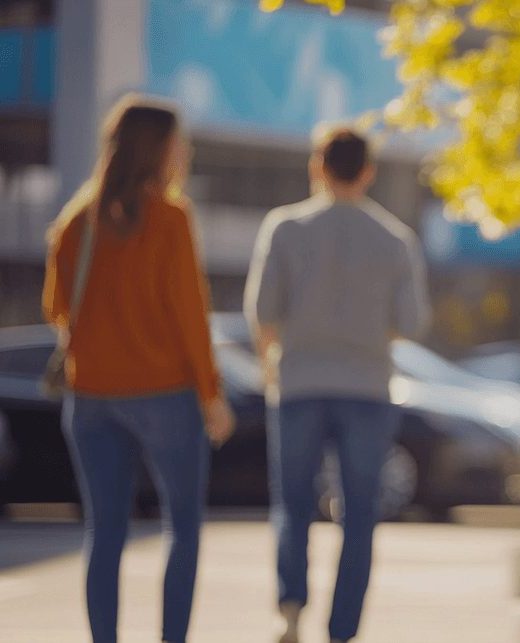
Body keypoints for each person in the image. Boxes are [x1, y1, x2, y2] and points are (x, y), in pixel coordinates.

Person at [42, 95, 235, 643]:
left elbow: (56, 308)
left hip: (92, 398)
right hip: (165, 396)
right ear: (159, 148)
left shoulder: (75, 221)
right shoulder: (171, 217)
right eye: (180, 141)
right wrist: (212, 394)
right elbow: (191, 317)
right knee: (184, 530)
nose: (186, 150)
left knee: (104, 535)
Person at [244, 125, 431, 643]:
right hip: (369, 388)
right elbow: (411, 323)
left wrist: (271, 366)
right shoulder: (395, 239)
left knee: (293, 504)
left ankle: (290, 608)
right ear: (368, 172)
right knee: (360, 511)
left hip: (299, 383)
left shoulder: (284, 227)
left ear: (316, 167)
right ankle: (343, 629)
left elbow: (262, 313)